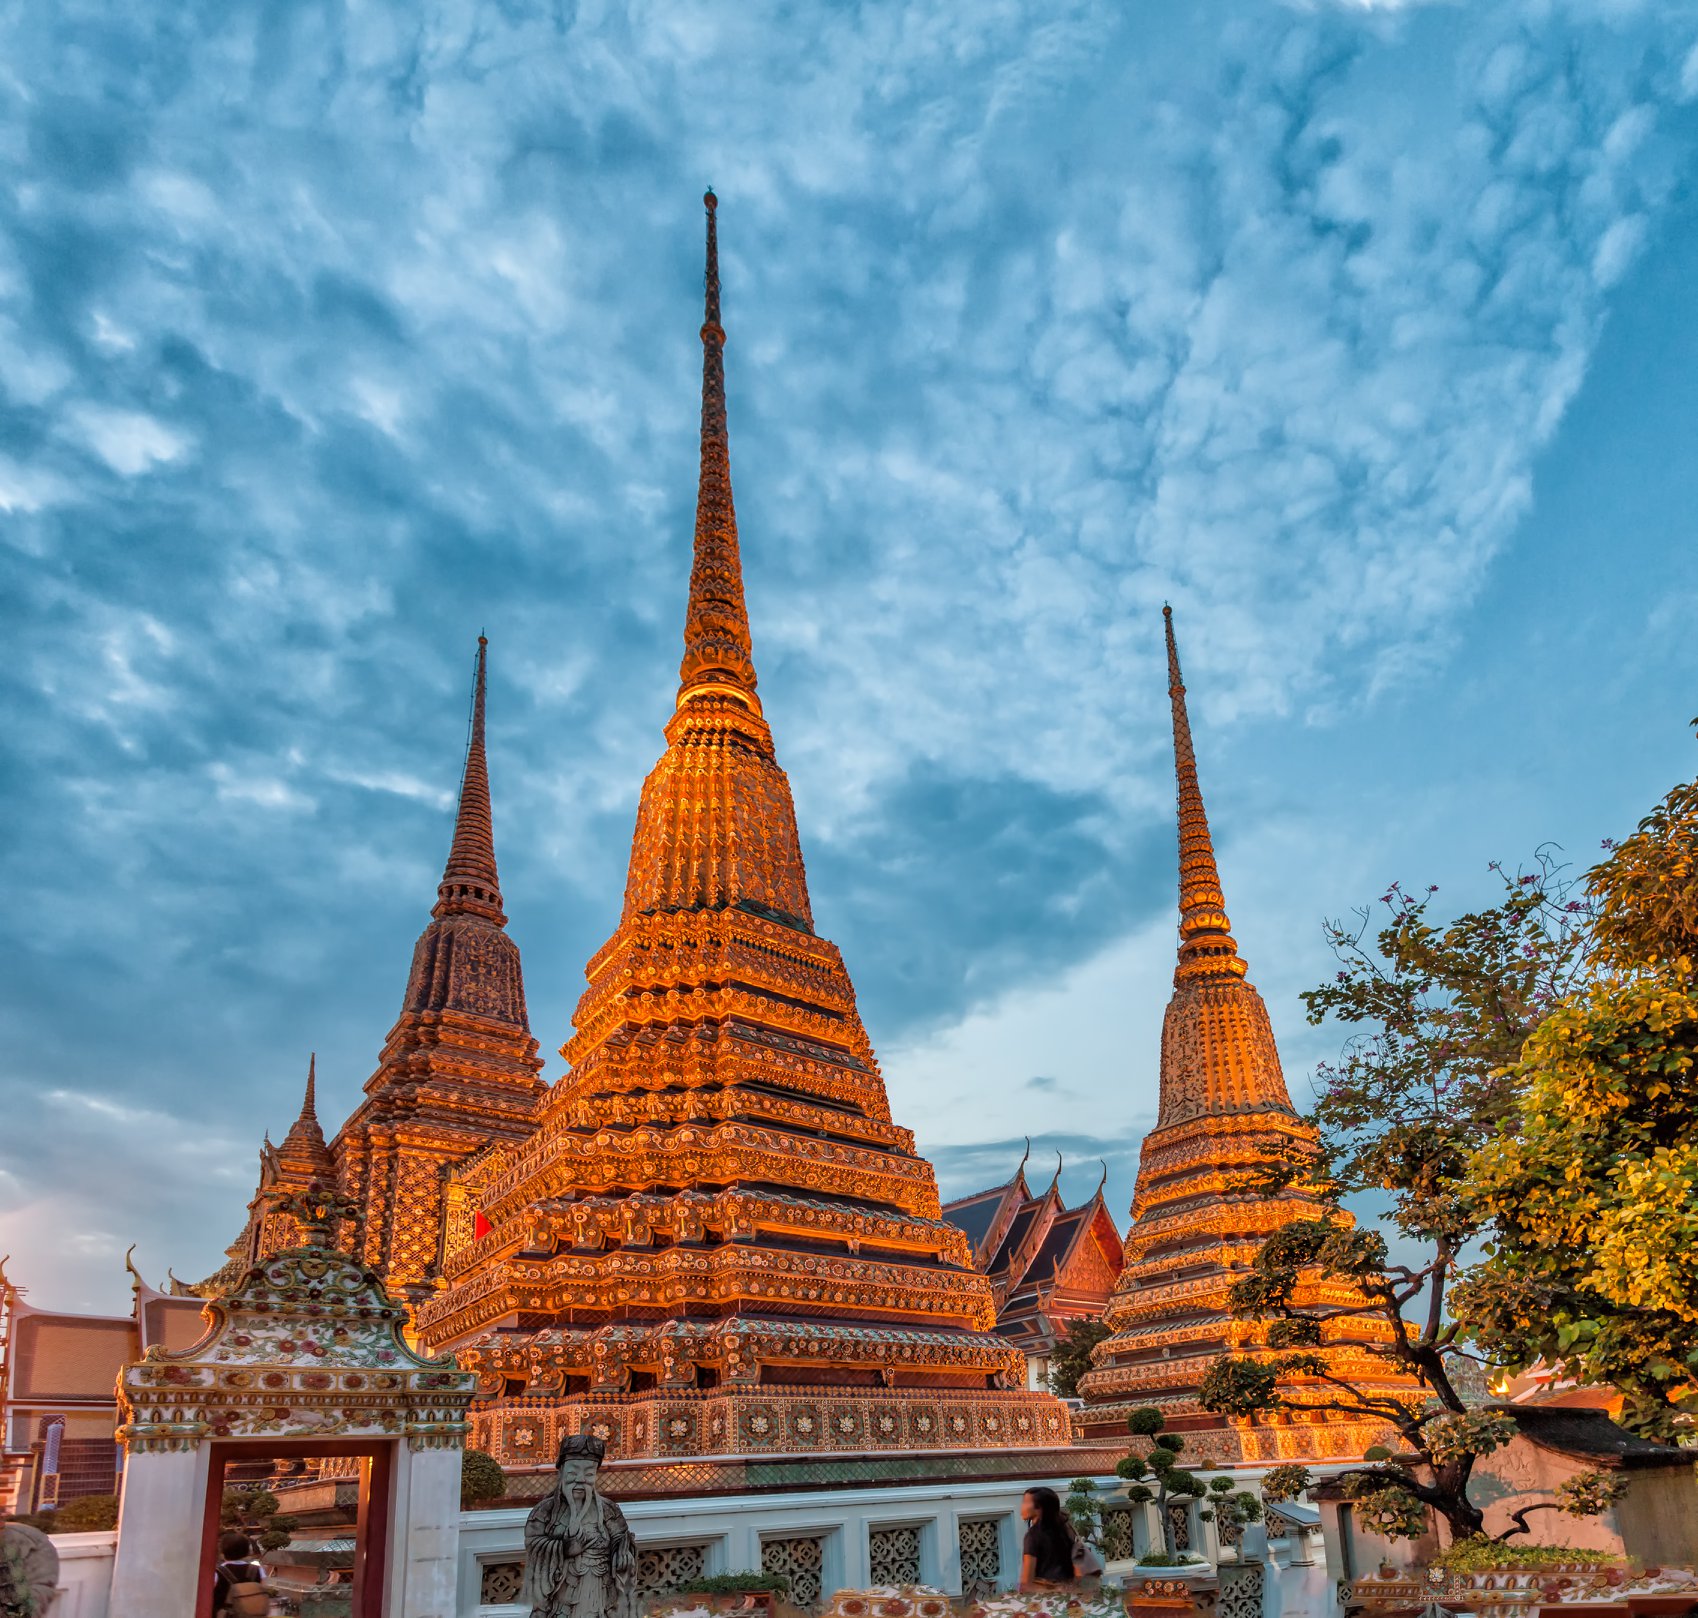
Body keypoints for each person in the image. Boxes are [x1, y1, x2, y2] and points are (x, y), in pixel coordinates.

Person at [1018, 1487, 1078, 1592]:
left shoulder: (1033, 1536)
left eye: (1026, 1502)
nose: (1022, 1507)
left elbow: (1026, 1583)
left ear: (1039, 1508)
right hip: (1070, 1592)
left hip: (1046, 1598)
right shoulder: (1065, 1529)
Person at [212, 1530, 269, 1618]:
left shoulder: (217, 1572)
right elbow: (262, 1590)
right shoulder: (257, 1570)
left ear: (222, 1551)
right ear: (247, 1551)